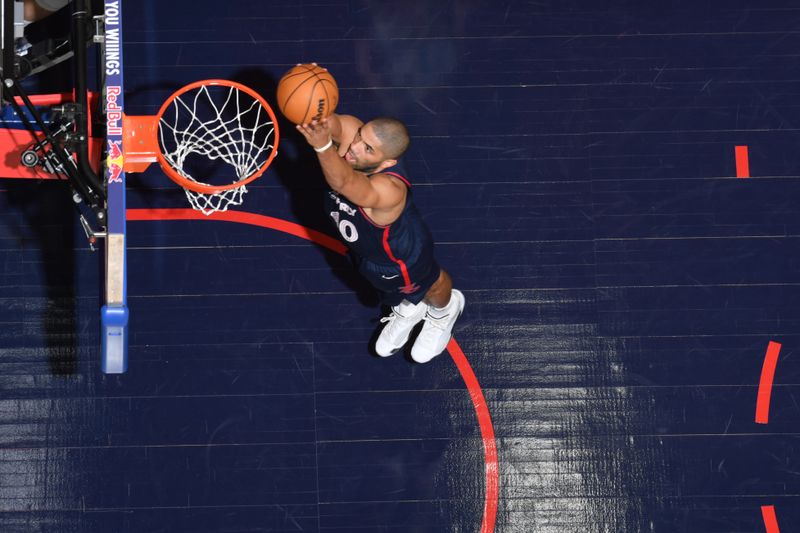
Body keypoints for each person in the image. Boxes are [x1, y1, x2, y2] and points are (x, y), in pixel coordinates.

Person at [296, 112, 464, 363]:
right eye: (361, 136)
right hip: (364, 248)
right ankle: (409, 308)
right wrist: (314, 104)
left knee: (432, 284)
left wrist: (322, 145)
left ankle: (445, 311)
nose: (354, 148)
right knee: (389, 291)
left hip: (398, 257)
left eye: (368, 149)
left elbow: (344, 182)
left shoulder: (388, 190)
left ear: (387, 163)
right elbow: (333, 124)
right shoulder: (354, 138)